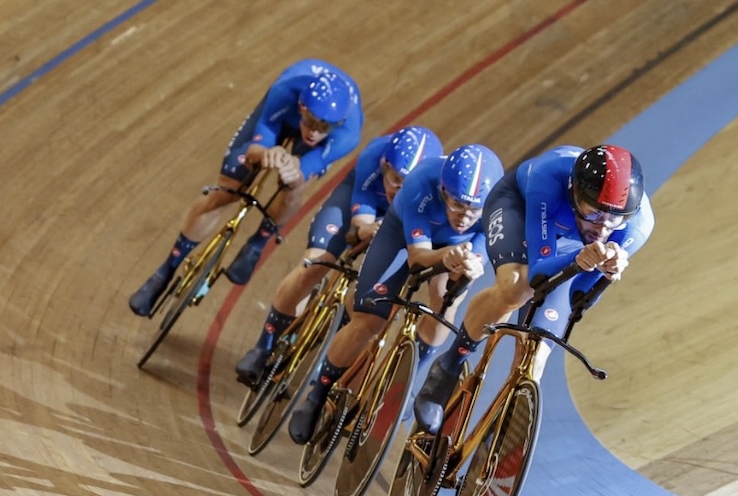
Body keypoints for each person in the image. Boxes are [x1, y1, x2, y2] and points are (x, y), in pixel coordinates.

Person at [413, 144, 656, 433]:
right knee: (515, 288)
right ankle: (449, 366)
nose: (602, 229)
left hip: (564, 246)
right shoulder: (549, 179)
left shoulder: (637, 226)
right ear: (574, 193)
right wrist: (578, 258)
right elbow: (539, 272)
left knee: (537, 351)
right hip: (517, 207)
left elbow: (578, 296)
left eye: (613, 220)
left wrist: (605, 275)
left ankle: (502, 429)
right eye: (593, 213)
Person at [288, 144, 505, 445]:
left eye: (474, 209)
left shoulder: (498, 205)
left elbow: (482, 246)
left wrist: (472, 262)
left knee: (448, 300)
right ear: (443, 190)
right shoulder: (421, 182)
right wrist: (447, 255)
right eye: (456, 204)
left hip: (460, 246)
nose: (464, 216)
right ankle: (318, 392)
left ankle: (410, 374)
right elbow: (418, 259)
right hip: (402, 236)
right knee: (368, 321)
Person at [129, 59, 364, 316]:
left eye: (324, 128)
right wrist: (264, 155)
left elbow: (301, 170)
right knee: (227, 189)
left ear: (336, 125)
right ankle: (165, 270)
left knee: (295, 184)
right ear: (302, 107)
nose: (313, 133)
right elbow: (256, 148)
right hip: (281, 116)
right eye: (309, 121)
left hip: (317, 144)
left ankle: (258, 242)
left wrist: (290, 169)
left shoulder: (347, 134)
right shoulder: (285, 92)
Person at [234, 125, 444, 386]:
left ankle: (328, 360)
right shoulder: (374, 154)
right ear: (384, 165)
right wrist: (366, 229)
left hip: (400, 223)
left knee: (371, 302)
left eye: (407, 184)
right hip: (361, 206)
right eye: (394, 179)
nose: (398, 190)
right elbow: (360, 219)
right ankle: (262, 347)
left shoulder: (431, 191)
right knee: (316, 262)